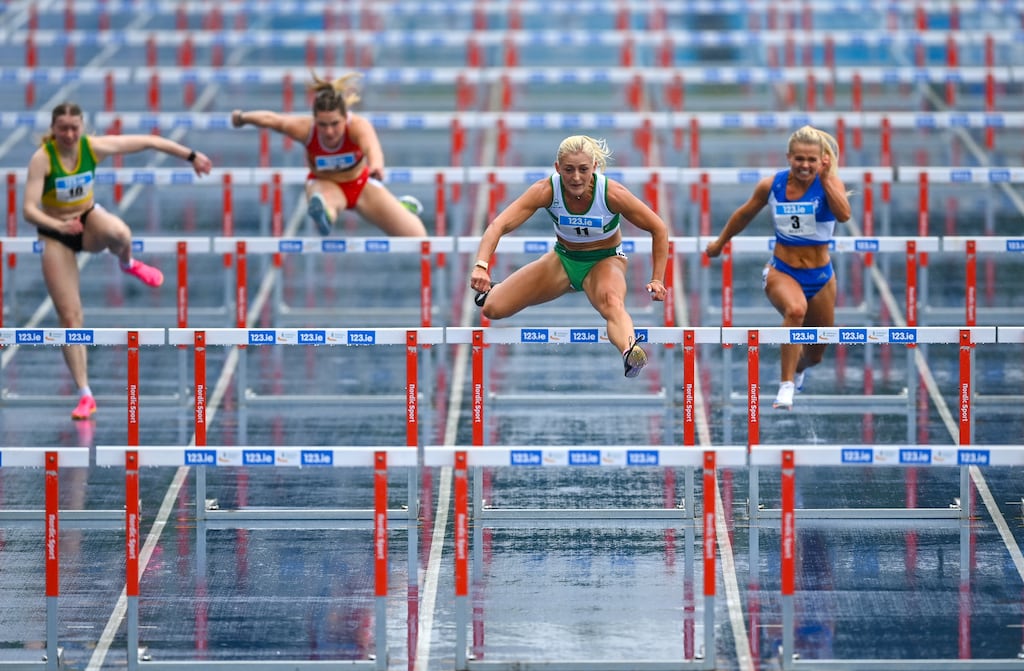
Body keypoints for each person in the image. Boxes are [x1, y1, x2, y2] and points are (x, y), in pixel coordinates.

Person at [22, 101, 213, 420]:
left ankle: (127, 262)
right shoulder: (42, 159)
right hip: (56, 234)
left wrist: (192, 156)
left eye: (74, 128)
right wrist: (59, 226)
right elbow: (29, 209)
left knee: (121, 232)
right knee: (70, 317)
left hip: (87, 222)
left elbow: (150, 141)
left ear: (82, 127)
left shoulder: (92, 148)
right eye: (62, 129)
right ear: (53, 130)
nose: (69, 135)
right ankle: (85, 394)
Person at [469, 135, 669, 378]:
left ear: (594, 167)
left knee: (612, 302)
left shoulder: (612, 194)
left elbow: (658, 228)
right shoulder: (546, 190)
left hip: (604, 262)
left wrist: (657, 279)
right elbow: (498, 225)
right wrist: (481, 265)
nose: (576, 178)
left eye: (583, 170)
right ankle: (496, 290)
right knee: (492, 309)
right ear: (557, 168)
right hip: (563, 261)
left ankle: (630, 351)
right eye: (569, 170)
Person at [705, 125, 852, 410]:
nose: (805, 166)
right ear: (788, 157)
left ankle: (798, 368)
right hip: (782, 270)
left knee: (816, 354)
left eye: (811, 160)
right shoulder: (771, 185)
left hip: (821, 277)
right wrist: (720, 243)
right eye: (799, 159)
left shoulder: (829, 182)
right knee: (795, 311)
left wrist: (827, 178)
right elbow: (744, 213)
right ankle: (785, 385)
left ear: (821, 159)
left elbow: (844, 215)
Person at [230, 72, 427, 237]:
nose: (329, 132)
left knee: (418, 237)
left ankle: (397, 207)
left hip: (360, 185)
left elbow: (372, 147)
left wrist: (376, 165)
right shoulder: (305, 129)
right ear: (314, 121)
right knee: (324, 207)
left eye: (335, 124)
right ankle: (323, 214)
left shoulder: (358, 126)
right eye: (322, 125)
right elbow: (273, 120)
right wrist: (242, 118)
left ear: (345, 118)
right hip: (326, 183)